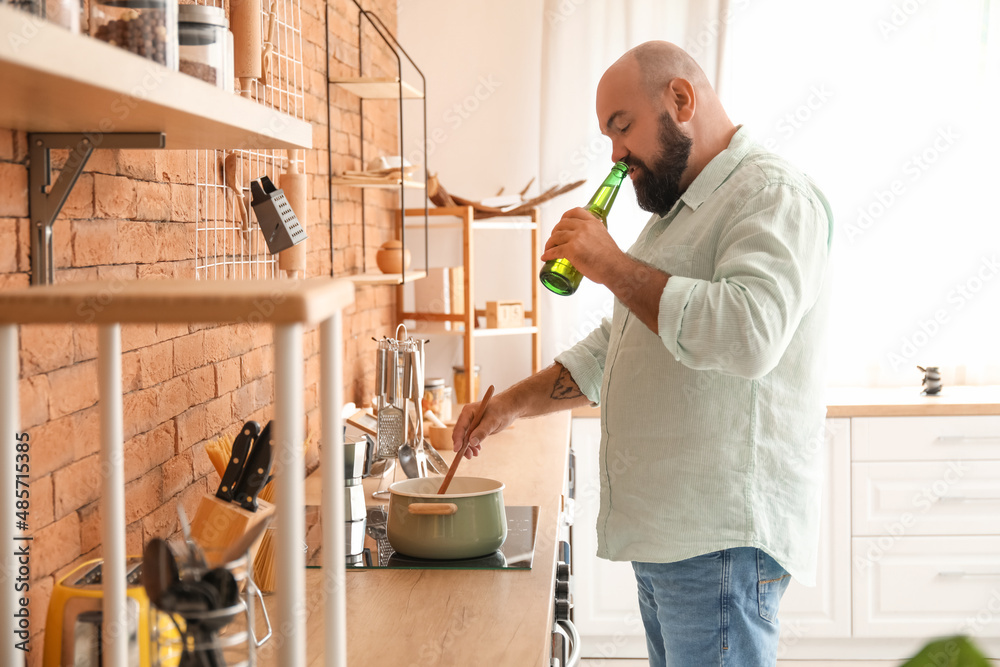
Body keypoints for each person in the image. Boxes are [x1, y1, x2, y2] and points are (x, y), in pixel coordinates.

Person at [452, 40, 833, 667]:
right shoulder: (677, 217)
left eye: (621, 126)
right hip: (673, 540)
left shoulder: (770, 194)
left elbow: (749, 333)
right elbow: (622, 345)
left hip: (719, 541)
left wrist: (610, 265)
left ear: (680, 99)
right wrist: (509, 407)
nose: (615, 154)